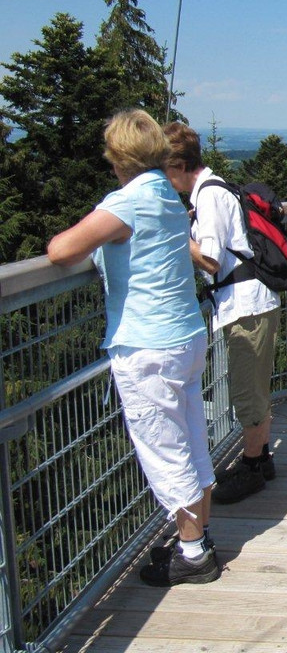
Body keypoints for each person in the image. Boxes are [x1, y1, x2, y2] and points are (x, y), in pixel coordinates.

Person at [47, 109, 219, 586]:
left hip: (147, 346)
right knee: (191, 441)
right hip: (185, 335)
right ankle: (199, 537)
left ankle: (192, 555)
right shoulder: (166, 193)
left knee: (166, 452)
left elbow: (62, 251)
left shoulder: (130, 200)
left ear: (118, 157)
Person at [162, 122, 281, 505]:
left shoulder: (209, 197)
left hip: (245, 307)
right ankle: (261, 459)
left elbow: (210, 259)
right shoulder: (217, 187)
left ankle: (251, 469)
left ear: (179, 164)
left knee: (247, 392)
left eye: (164, 168)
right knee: (256, 386)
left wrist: (176, 233)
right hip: (253, 302)